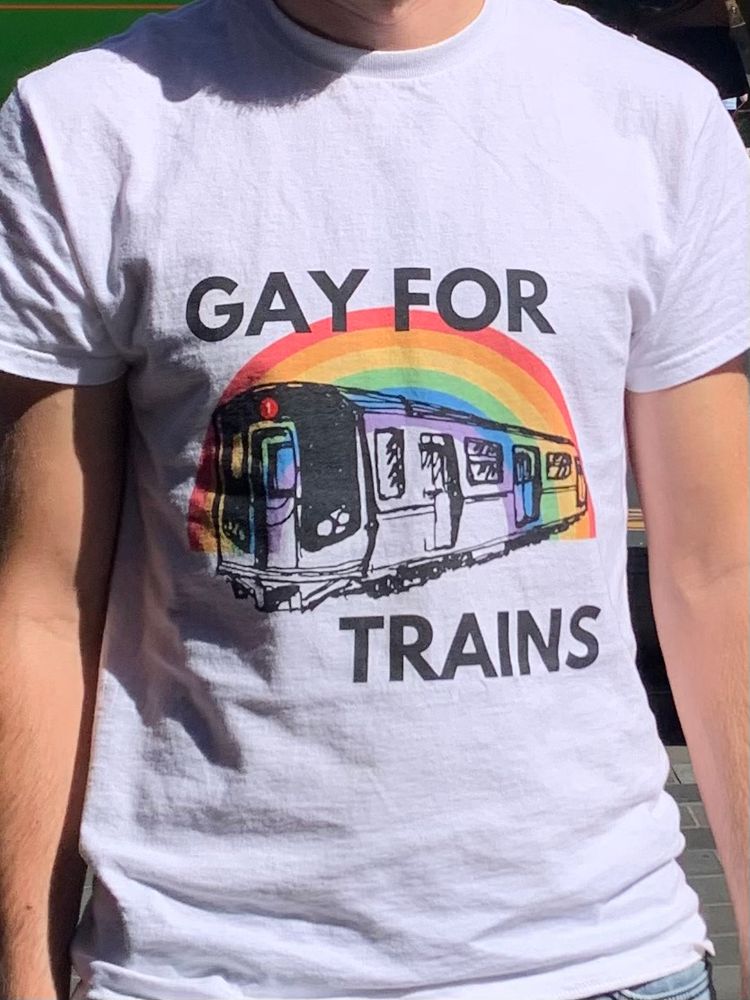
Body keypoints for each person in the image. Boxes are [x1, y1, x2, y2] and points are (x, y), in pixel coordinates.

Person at [0, 2, 747, 999]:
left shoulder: (656, 118)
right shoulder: (81, 124)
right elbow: (40, 602)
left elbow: (719, 574)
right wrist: (24, 971)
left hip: (601, 956)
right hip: (198, 967)